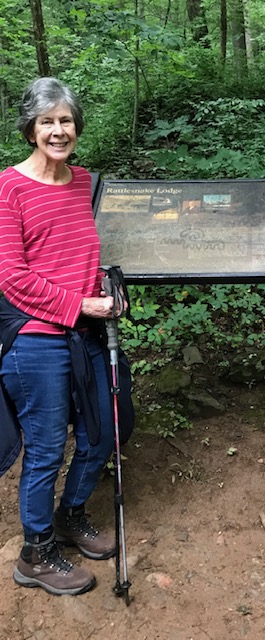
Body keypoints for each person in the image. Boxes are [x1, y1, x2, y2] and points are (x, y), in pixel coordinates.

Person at [0, 77, 121, 596]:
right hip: (36, 339)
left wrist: (100, 289)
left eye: (66, 120)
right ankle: (36, 552)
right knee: (47, 447)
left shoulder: (82, 180)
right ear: (30, 128)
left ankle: (71, 515)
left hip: (86, 329)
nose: (58, 130)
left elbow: (75, 256)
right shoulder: (9, 186)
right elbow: (11, 275)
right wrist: (78, 304)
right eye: (47, 121)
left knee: (101, 433)